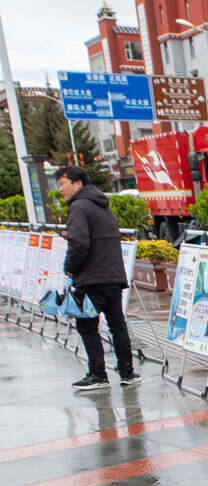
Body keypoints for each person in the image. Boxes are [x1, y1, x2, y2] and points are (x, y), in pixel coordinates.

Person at [57, 166, 138, 390]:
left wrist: (69, 268)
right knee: (117, 326)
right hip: (113, 276)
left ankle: (98, 375)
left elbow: (79, 243)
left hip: (92, 278)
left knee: (87, 326)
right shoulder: (103, 205)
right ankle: (128, 373)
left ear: (78, 183)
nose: (60, 189)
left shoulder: (78, 206)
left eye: (63, 183)